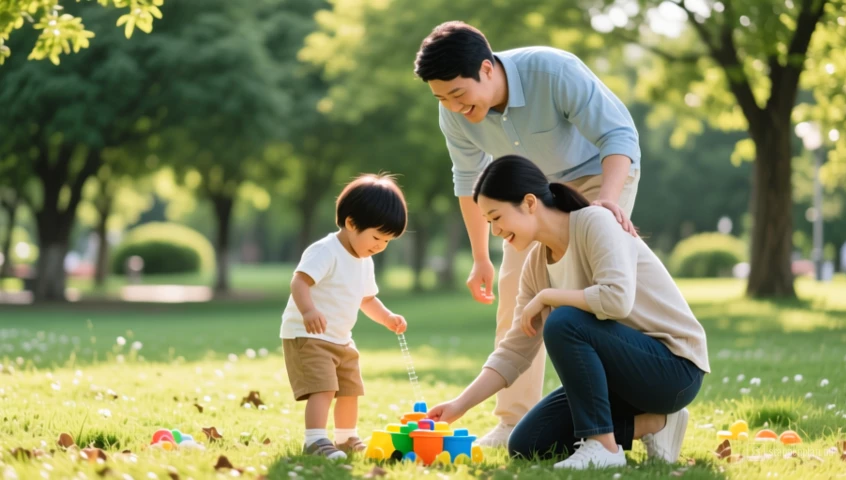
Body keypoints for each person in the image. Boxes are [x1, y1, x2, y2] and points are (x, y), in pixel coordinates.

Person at [414, 21, 642, 446]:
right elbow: (468, 181)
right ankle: (510, 422)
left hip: (598, 177)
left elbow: (619, 136)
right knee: (517, 293)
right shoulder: (453, 112)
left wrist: (607, 203)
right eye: (441, 98)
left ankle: (636, 415)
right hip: (528, 197)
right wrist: (481, 257)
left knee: (600, 291)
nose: (451, 106)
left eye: (457, 94)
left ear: (485, 69)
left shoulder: (553, 72)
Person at [427, 156, 709, 470]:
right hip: (622, 379)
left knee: (564, 321)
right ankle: (654, 423)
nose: (494, 230)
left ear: (529, 202)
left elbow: (617, 300)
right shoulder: (536, 265)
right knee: (527, 444)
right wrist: (458, 406)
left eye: (496, 217)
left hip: (673, 369)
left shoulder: (594, 222)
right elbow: (514, 351)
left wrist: (550, 297)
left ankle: (604, 447)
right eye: (488, 222)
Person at [280, 174, 409, 459]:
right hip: (308, 335)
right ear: (351, 223)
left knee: (350, 390)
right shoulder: (326, 251)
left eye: (387, 241)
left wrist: (387, 317)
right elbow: (299, 282)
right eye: (377, 237)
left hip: (341, 339)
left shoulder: (365, 260)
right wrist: (309, 310)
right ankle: (314, 440)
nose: (380, 246)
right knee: (324, 388)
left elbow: (367, 298)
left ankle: (346, 437)